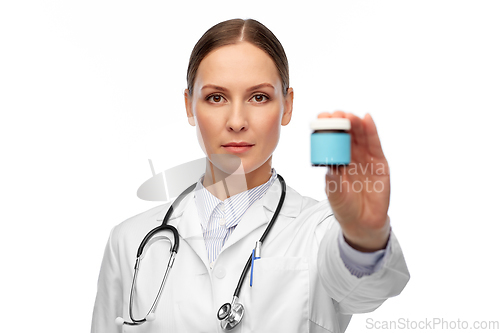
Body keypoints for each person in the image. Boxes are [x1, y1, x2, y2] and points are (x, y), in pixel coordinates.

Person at [91, 18, 410, 333]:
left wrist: (365, 238)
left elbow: (368, 290)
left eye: (259, 97)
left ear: (287, 105)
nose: (237, 121)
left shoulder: (322, 231)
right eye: (216, 97)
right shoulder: (130, 240)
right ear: (190, 106)